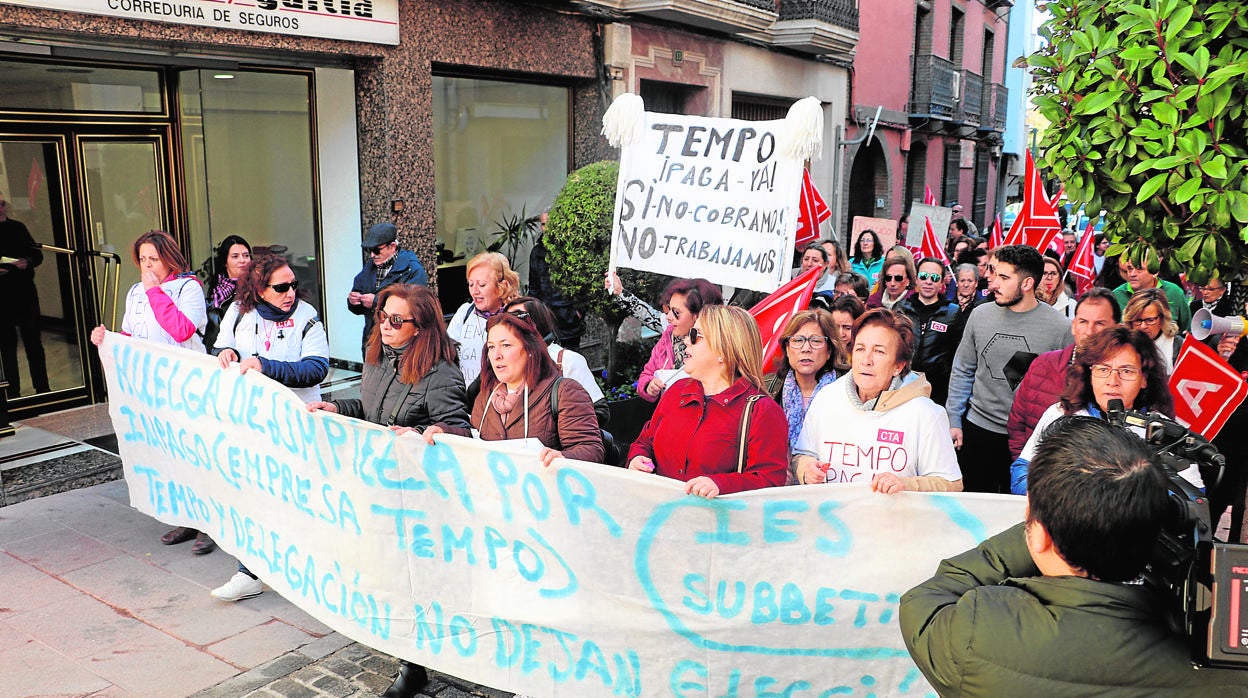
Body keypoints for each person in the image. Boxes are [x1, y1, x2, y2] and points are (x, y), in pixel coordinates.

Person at [900, 416, 1248, 697]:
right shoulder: (1226, 653)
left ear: (1040, 534)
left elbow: (927, 597)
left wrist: (1056, 517)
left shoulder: (975, 632)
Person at [307, 284, 467, 698]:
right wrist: (337, 408)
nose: (387, 325)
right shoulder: (377, 357)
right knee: (389, 576)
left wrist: (420, 434)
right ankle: (406, 655)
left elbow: (457, 429)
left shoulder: (441, 371)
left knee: (414, 581)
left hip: (418, 497)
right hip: (378, 487)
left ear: (421, 326)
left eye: (397, 320)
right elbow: (370, 409)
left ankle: (415, 665)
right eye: (383, 316)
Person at [209, 254, 330, 601]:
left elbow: (315, 369)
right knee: (251, 497)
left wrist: (266, 366)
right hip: (253, 423)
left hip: (297, 425)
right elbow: (220, 345)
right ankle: (248, 572)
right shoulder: (239, 312)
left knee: (297, 499)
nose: (290, 293)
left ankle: (306, 572)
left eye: (293, 285)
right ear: (259, 289)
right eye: (280, 287)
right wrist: (227, 351)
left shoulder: (307, 317)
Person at [90, 230, 211, 554]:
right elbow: (133, 335)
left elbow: (182, 329)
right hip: (152, 389)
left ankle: (210, 522)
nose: (147, 266)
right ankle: (187, 516)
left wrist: (155, 292)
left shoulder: (188, 288)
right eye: (142, 259)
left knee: (194, 453)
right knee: (169, 454)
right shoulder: (134, 292)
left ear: (168, 259)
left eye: (153, 259)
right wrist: (109, 338)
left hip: (186, 385)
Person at [946, 244, 1072, 493]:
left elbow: (1067, 388)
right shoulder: (979, 315)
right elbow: (963, 369)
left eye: (1004, 277)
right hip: (977, 430)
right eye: (995, 274)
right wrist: (954, 419)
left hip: (1028, 440)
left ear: (1026, 284)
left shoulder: (1060, 327)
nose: (993, 284)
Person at [792, 308, 962, 492]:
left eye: (879, 352)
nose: (866, 360)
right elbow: (802, 455)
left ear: (898, 365)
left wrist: (907, 485)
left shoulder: (926, 413)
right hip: (832, 518)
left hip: (894, 519)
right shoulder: (827, 398)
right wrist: (806, 469)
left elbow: (951, 484)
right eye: (860, 348)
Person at [628, 304, 787, 496]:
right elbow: (645, 442)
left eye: (696, 335)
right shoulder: (675, 392)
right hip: (660, 518)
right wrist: (638, 458)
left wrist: (720, 484)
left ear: (723, 350)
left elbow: (770, 481)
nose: (687, 340)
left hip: (718, 523)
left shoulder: (762, 410)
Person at [1009, 326, 1190, 494]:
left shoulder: (1164, 431)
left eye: (1126, 371)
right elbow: (1022, 473)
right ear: (1090, 375)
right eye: (1103, 369)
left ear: (1144, 379)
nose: (1113, 380)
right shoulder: (1060, 414)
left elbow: (1190, 494)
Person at [424, 312, 603, 465]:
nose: (496, 355)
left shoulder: (565, 392)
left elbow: (591, 450)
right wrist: (445, 432)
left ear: (530, 349)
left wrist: (563, 457)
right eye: (491, 347)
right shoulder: (486, 395)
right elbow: (477, 438)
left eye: (506, 345)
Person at [1007, 287, 1120, 459]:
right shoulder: (1042, 365)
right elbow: (1017, 425)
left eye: (1100, 323)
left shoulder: (1125, 379)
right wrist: (1029, 472)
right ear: (1073, 326)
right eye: (1083, 322)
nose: (1089, 332)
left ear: (1117, 329)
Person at [503, 296, 610, 429]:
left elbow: (600, 411)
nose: (510, 325)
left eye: (518, 317)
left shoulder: (568, 360)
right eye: (506, 320)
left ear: (537, 322)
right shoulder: (502, 363)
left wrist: (559, 433)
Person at [769, 309, 847, 451]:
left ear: (829, 350)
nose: (806, 348)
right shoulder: (767, 387)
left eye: (815, 341)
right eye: (798, 340)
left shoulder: (848, 390)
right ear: (787, 349)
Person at [636, 277, 722, 403]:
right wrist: (649, 385)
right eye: (669, 309)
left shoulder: (722, 346)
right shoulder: (667, 338)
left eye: (676, 312)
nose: (668, 317)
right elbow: (647, 374)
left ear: (698, 315)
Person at [348, 222, 428, 356]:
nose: (372, 255)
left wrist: (376, 301)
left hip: (402, 343)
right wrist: (353, 301)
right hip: (373, 341)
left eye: (376, 250)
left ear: (392, 246)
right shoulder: (370, 268)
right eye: (369, 251)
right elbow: (358, 295)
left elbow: (414, 305)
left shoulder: (412, 269)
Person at [0, 193, 49, 399]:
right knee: (7, 346)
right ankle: (12, 393)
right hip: (2, 295)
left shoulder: (17, 227)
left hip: (24, 291)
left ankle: (43, 388)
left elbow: (37, 254)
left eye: (2, 204)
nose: (0, 208)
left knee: (33, 342)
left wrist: (27, 261)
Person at [447, 251, 520, 385]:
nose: (475, 291)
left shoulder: (516, 315)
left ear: (501, 287)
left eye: (481, 285)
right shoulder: (465, 312)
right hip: (467, 398)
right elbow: (446, 354)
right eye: (471, 284)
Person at [898, 258, 961, 405]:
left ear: (941, 282)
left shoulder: (952, 312)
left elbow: (957, 353)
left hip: (937, 388)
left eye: (934, 277)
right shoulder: (901, 309)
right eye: (924, 276)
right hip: (904, 383)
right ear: (916, 279)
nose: (928, 281)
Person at [528, 211, 585, 350]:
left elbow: (582, 283)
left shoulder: (570, 249)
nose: (546, 228)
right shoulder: (536, 252)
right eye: (543, 224)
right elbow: (534, 287)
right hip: (546, 318)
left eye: (549, 223)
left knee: (571, 362)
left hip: (568, 318)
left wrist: (579, 311)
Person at [1114, 254, 1191, 331]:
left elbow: (1187, 331)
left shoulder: (1174, 292)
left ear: (1155, 272)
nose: (1132, 274)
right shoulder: (1116, 296)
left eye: (1139, 269)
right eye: (1130, 268)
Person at [202, 234, 251, 352]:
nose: (242, 260)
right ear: (225, 262)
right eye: (235, 256)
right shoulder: (213, 292)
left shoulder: (258, 289)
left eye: (246, 255)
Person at [1123, 288, 1183, 374]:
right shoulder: (1122, 345)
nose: (1143, 326)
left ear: (1162, 318)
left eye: (1150, 320)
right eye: (1137, 320)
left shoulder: (1178, 346)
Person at [1037, 254, 1076, 318]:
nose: (1049, 278)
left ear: (1059, 278)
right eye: (1044, 273)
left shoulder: (1070, 305)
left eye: (1053, 273)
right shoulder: (1027, 303)